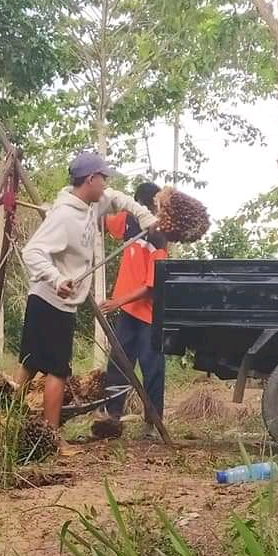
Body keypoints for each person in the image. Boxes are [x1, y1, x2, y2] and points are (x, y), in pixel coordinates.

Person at [18, 152, 157, 432]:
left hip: (53, 301)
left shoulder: (92, 203)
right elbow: (31, 252)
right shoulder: (64, 216)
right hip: (51, 300)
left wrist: (145, 216)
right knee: (57, 371)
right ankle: (53, 436)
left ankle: (1, 422)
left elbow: (119, 198)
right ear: (91, 179)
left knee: (29, 364)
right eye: (103, 178)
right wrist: (57, 278)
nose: (106, 184)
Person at [100, 181, 167, 440]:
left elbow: (151, 287)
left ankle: (153, 424)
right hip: (128, 313)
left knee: (152, 371)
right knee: (118, 364)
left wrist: (117, 301)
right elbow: (104, 221)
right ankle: (111, 417)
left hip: (148, 315)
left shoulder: (158, 237)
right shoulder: (127, 221)